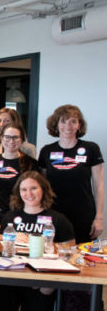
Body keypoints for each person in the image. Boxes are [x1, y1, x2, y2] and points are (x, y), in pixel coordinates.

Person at [0, 171, 76, 311]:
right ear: (18, 192)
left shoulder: (58, 220)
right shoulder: (11, 217)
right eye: (24, 189)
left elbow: (70, 252)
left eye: (34, 188)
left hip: (41, 283)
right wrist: (13, 238)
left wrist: (43, 244)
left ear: (43, 190)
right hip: (13, 277)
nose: (29, 194)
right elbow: (0, 242)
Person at [38, 104, 103, 243]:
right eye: (63, 121)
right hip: (53, 213)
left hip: (83, 213)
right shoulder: (46, 151)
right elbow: (41, 187)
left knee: (82, 258)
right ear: (56, 124)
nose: (68, 125)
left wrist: (100, 217)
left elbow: (99, 186)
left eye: (73, 121)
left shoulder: (91, 149)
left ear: (79, 125)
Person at [0, 123, 40, 235]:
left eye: (16, 137)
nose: (11, 141)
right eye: (7, 137)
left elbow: (35, 195)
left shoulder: (31, 164)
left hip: (19, 217)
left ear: (22, 140)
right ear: (1, 138)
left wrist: (9, 222)